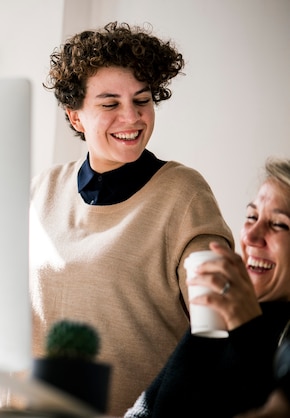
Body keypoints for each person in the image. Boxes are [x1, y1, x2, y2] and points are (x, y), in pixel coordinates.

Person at [30, 21, 234, 416]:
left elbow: (216, 324)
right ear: (75, 117)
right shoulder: (43, 191)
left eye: (142, 100)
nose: (132, 117)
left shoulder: (184, 193)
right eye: (110, 104)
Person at [124, 157, 290, 418]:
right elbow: (147, 409)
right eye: (251, 216)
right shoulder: (218, 311)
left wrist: (247, 328)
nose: (250, 236)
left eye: (279, 224)